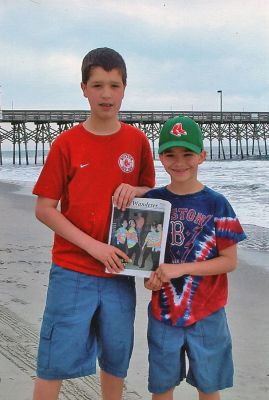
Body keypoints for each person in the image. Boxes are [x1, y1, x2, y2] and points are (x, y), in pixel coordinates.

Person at [31, 47, 155, 400]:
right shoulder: (66, 144)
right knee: (53, 360)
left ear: (125, 88)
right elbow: (44, 208)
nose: (106, 94)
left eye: (114, 85)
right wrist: (94, 247)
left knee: (116, 358)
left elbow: (150, 191)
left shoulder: (137, 142)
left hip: (120, 274)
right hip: (72, 270)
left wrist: (137, 187)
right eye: (97, 85)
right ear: (83, 88)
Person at [144, 115, 246, 400]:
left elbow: (229, 261)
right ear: (160, 157)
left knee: (208, 386)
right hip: (163, 312)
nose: (179, 162)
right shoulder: (152, 202)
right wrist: (149, 280)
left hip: (208, 311)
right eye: (170, 154)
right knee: (162, 387)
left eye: (187, 153)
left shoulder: (217, 203)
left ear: (202, 155)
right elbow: (146, 260)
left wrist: (180, 269)